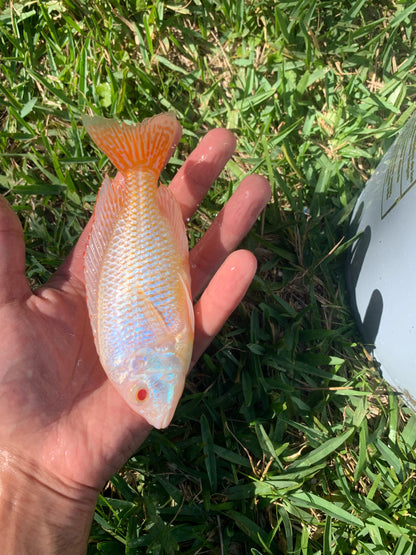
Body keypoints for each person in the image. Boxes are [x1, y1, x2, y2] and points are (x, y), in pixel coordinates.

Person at [0, 127, 271, 554]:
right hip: (149, 252)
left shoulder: (152, 351)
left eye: (143, 390)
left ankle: (139, 167)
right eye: (143, 392)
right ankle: (141, 168)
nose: (156, 410)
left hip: (138, 251)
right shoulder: (143, 354)